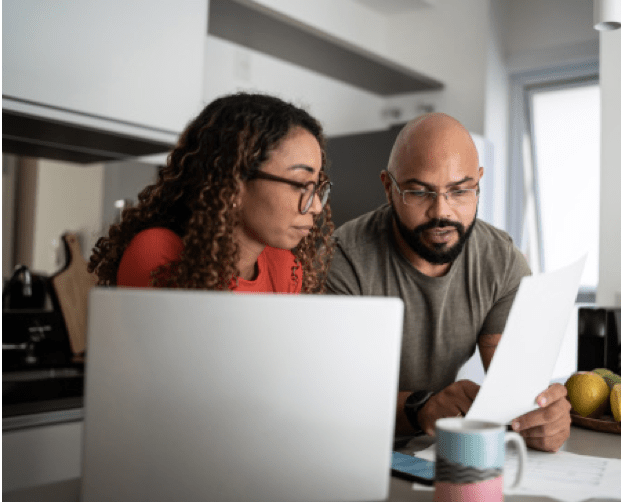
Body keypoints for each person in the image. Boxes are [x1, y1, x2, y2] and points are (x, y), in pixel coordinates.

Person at [325, 113, 571, 452]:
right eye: (419, 191)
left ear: (479, 182)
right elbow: (332, 397)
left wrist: (542, 417)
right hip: (345, 446)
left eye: (459, 191)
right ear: (388, 187)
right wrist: (421, 407)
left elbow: (516, 391)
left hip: (433, 452)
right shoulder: (343, 260)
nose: (442, 211)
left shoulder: (501, 262)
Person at [89, 92, 334, 293]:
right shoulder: (159, 253)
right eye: (301, 184)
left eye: (317, 187)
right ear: (234, 183)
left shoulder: (285, 267)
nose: (316, 207)